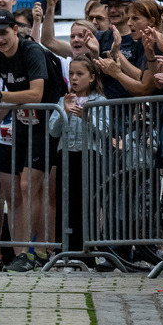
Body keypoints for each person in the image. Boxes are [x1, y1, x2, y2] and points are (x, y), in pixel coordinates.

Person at [0, 9, 53, 272]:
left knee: (29, 186)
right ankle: (26, 252)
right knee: (17, 191)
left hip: (49, 122)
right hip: (21, 122)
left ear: (15, 30)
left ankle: (33, 251)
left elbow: (36, 95)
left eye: (3, 33)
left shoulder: (31, 51)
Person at [48, 54, 108, 254]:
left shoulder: (100, 100)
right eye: (72, 73)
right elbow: (53, 130)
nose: (74, 78)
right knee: (65, 202)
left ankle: (86, 251)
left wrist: (87, 117)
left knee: (87, 203)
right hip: (66, 155)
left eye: (80, 74)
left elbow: (105, 131)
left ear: (91, 77)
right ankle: (64, 251)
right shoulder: (63, 99)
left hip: (89, 156)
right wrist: (64, 112)